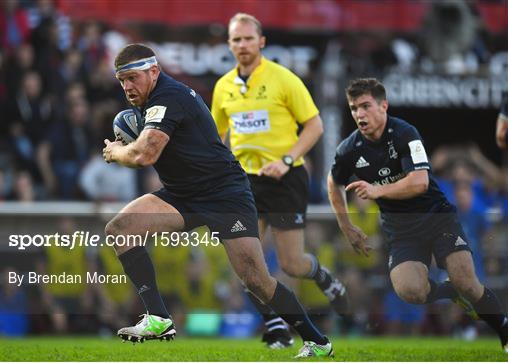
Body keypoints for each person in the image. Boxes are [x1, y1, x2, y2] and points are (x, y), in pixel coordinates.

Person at [102, 43, 333, 358]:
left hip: (224, 194)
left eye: (132, 77)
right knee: (121, 229)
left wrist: (116, 151)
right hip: (182, 194)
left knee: (257, 281)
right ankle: (158, 318)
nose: (127, 86)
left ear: (153, 71)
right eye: (122, 81)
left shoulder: (169, 97)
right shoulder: (149, 101)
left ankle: (318, 342)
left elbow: (146, 154)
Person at [327, 77, 507, 353]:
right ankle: (448, 291)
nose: (359, 114)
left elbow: (420, 182)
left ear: (383, 105)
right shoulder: (349, 148)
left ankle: (503, 332)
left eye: (365, 106)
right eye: (353, 108)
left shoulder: (404, 133)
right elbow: (333, 182)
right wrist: (347, 226)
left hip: (436, 218)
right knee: (411, 291)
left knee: (468, 283)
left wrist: (378, 190)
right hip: (401, 230)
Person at [211, 12, 349, 349]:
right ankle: (276, 326)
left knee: (291, 263)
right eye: (236, 40)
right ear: (229, 45)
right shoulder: (223, 87)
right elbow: (216, 137)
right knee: (247, 262)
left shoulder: (283, 79)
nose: (242, 45)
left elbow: (315, 125)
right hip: (245, 182)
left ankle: (321, 276)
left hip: (286, 178)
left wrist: (286, 160)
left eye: (248, 38)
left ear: (262, 42)